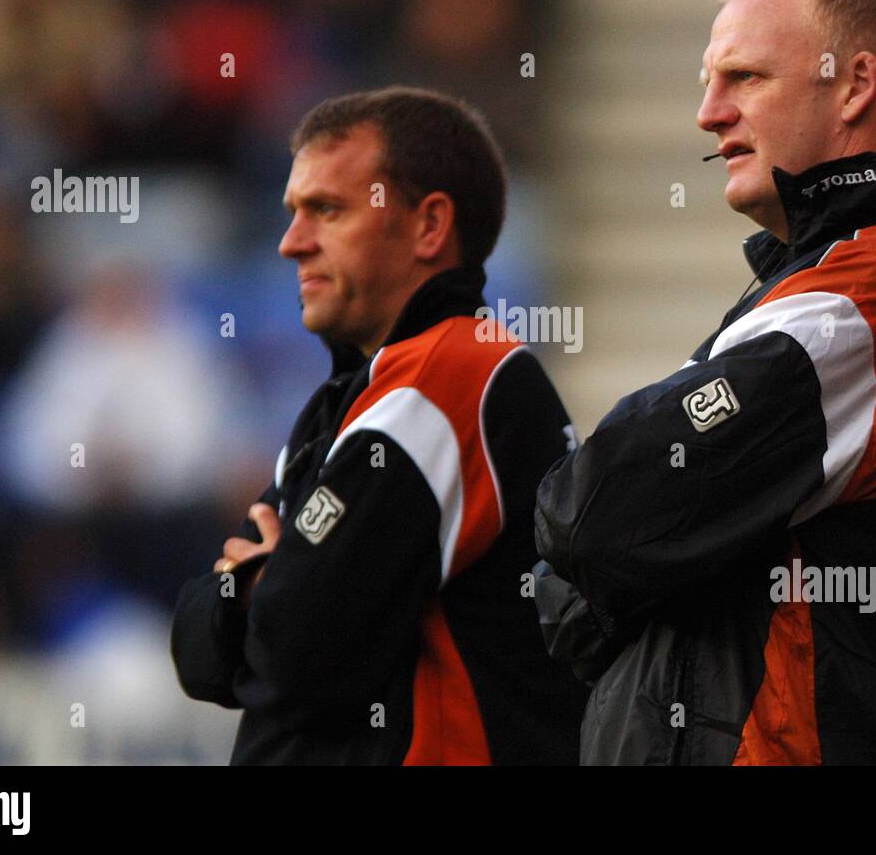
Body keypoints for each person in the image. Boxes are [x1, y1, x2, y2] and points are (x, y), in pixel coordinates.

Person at [533, 0, 876, 764]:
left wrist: (639, 550)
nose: (707, 112)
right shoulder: (825, 279)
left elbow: (599, 511)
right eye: (706, 81)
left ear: (856, 84)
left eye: (744, 76)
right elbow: (573, 599)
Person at [172, 86, 587, 764]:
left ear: (429, 226)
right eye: (292, 212)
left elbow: (296, 648)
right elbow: (197, 649)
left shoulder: (452, 375)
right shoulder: (350, 398)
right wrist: (255, 591)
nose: (289, 243)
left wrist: (260, 589)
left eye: (326, 211)